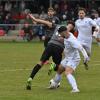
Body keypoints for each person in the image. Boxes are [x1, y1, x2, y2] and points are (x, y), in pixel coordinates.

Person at [48, 26, 89, 93]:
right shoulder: (67, 35)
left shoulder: (72, 40)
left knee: (67, 72)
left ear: (63, 32)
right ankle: (54, 85)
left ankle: (75, 89)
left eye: (60, 34)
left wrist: (86, 57)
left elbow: (80, 48)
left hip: (74, 59)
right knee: (59, 70)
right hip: (68, 58)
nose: (59, 35)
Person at [26, 25, 65, 90]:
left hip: (50, 45)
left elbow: (45, 25)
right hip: (58, 47)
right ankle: (54, 66)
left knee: (40, 63)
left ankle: (30, 78)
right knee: (58, 68)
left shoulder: (56, 26)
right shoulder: (67, 32)